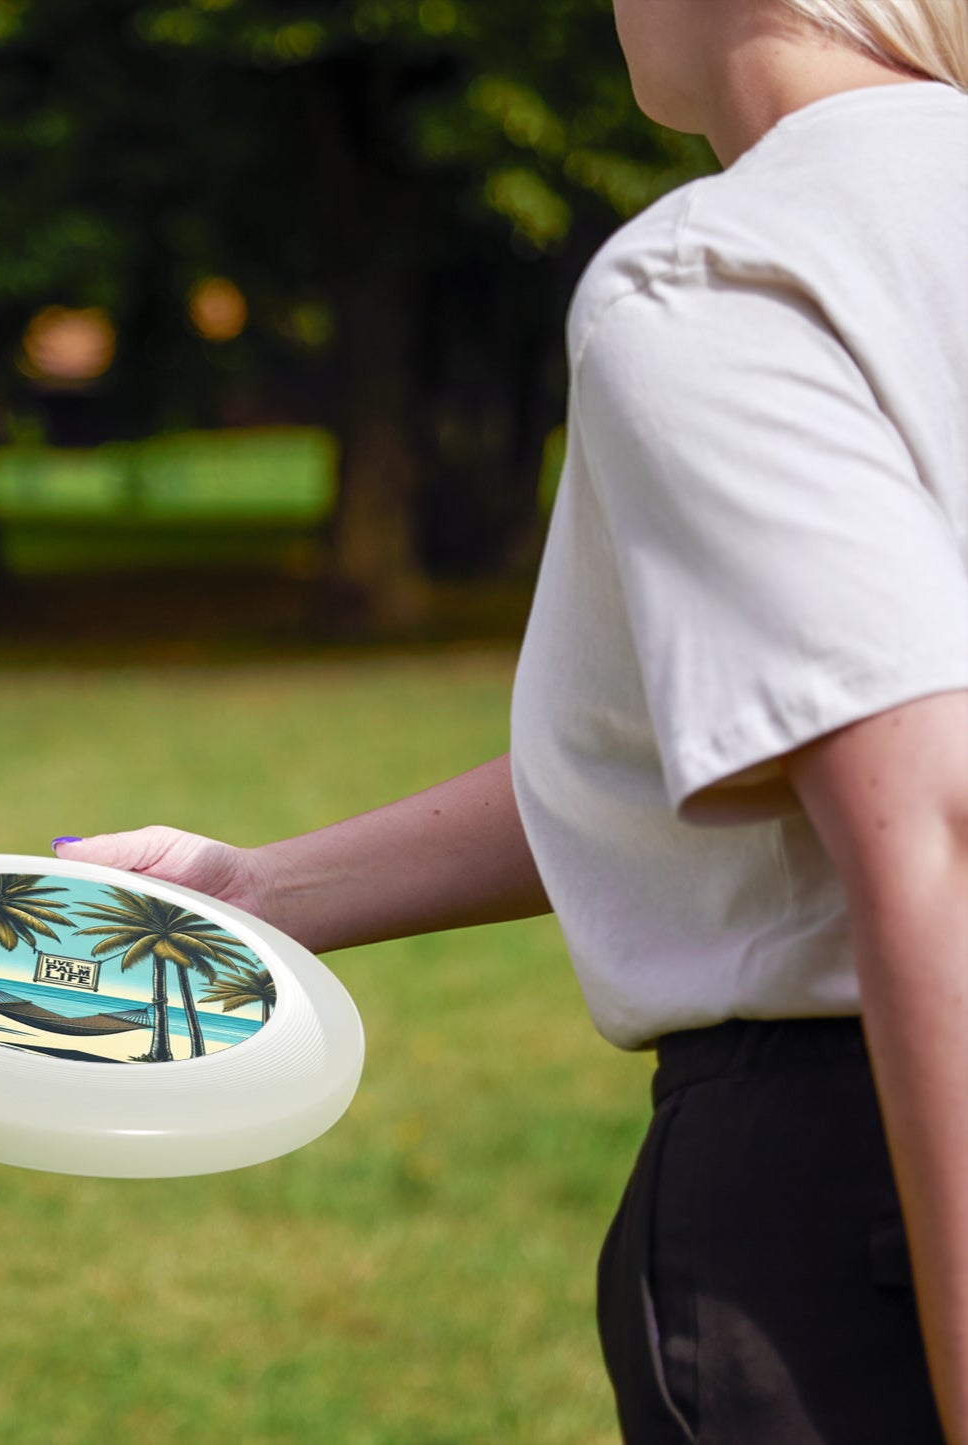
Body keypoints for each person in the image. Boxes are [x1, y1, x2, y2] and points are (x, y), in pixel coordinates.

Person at [52, 2, 968, 1440]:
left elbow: (931, 821)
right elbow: (745, 741)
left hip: (865, 1192)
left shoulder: (727, 270)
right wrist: (260, 889)